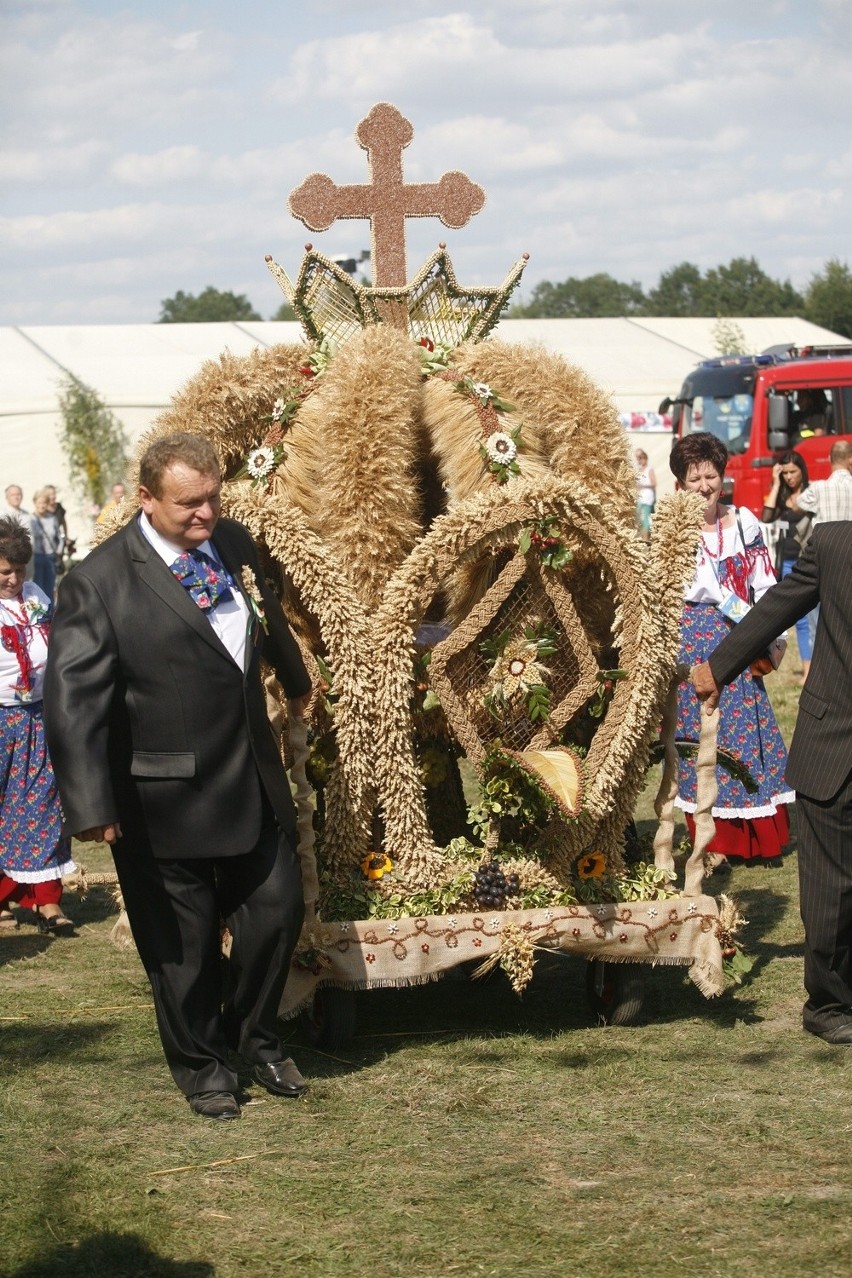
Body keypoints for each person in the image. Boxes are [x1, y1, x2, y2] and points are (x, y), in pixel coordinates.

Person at [44, 432, 313, 1121]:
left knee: (277, 913)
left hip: (249, 778)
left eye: (214, 497)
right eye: (189, 503)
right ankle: (204, 1068)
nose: (206, 514)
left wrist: (296, 676)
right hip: (161, 799)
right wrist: (90, 804)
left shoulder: (235, 545)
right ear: (145, 498)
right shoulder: (96, 583)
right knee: (182, 951)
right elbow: (72, 703)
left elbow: (264, 617)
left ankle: (254, 1035)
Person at [691, 522, 852, 1044]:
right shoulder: (833, 544)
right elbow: (776, 607)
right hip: (837, 744)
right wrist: (719, 666)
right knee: (832, 886)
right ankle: (829, 1004)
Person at [669, 433, 793, 865]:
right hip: (692, 642)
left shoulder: (744, 523)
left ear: (722, 478)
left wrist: (771, 638)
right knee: (699, 736)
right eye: (694, 478)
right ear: (679, 484)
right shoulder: (672, 533)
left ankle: (751, 839)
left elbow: (766, 587)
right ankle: (708, 839)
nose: (704, 485)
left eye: (711, 476)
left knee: (741, 735)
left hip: (738, 638)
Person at [0, 518, 76, 935]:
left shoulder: (35, 596)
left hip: (37, 717)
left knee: (41, 808)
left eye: (20, 571)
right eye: (4, 573)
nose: (14, 579)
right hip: (1, 716)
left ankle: (47, 901)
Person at [760, 450, 817, 682]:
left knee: (813, 618)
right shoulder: (782, 494)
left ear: (802, 470)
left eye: (793, 472)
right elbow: (766, 517)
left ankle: (812, 670)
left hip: (810, 561)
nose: (789, 477)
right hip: (788, 563)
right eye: (785, 474)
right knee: (796, 619)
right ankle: (802, 670)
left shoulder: (811, 494)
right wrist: (775, 483)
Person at [794, 439, 852, 525]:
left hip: (824, 538)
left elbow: (796, 507)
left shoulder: (817, 488)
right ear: (850, 460)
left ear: (829, 459)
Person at [29, 487, 64, 599]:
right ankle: (39, 613)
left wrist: (59, 550)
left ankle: (50, 613)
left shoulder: (52, 518)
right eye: (39, 502)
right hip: (36, 556)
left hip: (50, 556)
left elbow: (59, 536)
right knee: (37, 587)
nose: (42, 505)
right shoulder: (30, 519)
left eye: (44, 503)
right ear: (35, 503)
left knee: (50, 587)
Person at [634, 448, 656, 539]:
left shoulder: (649, 469)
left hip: (647, 497)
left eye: (642, 458)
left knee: (646, 517)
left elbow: (654, 483)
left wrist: (643, 486)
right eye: (639, 458)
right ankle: (640, 536)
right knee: (638, 516)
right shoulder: (639, 470)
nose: (641, 460)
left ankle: (646, 538)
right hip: (640, 497)